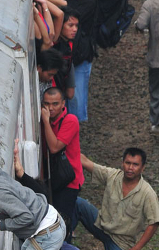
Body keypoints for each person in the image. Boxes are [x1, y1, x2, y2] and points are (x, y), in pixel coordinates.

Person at [76, 148, 159, 250]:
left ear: (142, 168)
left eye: (135, 164)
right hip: (100, 225)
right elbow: (86, 162)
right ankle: (62, 241)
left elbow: (154, 222)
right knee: (78, 203)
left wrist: (136, 248)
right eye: (127, 163)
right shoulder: (113, 175)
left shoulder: (147, 192)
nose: (130, 167)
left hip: (121, 242)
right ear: (122, 163)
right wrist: (64, 143)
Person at [41, 87, 83, 242]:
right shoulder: (49, 119)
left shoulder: (70, 120)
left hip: (68, 181)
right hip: (54, 179)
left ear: (63, 103)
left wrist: (45, 121)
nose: (51, 108)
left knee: (62, 226)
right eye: (47, 104)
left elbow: (54, 147)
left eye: (55, 104)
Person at [135, 0, 159, 133]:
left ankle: (156, 123)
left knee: (155, 90)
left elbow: (141, 24)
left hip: (156, 58)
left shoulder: (149, 4)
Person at [52, 7, 80, 100]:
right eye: (70, 25)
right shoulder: (54, 42)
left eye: (76, 26)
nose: (75, 29)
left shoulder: (69, 44)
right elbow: (59, 14)